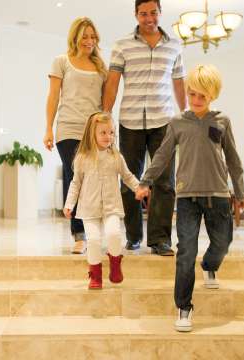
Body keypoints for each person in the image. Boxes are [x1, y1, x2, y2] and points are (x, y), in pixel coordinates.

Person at [135, 65, 244, 332]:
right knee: (186, 252)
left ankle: (210, 266)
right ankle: (183, 308)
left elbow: (233, 158)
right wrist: (145, 181)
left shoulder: (222, 121)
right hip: (187, 198)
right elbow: (161, 155)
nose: (196, 100)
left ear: (213, 96)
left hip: (218, 195)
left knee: (222, 243)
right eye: (193, 94)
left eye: (202, 96)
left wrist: (240, 192)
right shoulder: (177, 123)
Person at [103, 0, 186, 256]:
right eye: (143, 14)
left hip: (164, 121)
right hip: (130, 121)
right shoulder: (122, 45)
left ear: (160, 13)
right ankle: (134, 236)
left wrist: (186, 116)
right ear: (136, 14)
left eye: (153, 13)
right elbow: (113, 84)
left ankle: (160, 240)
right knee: (130, 181)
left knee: (165, 182)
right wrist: (105, 116)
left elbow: (179, 83)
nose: (148, 18)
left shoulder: (174, 45)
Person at [45, 17, 107, 254]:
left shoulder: (101, 67)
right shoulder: (62, 61)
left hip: (93, 132)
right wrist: (48, 128)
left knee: (94, 181)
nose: (89, 41)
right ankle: (79, 235)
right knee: (75, 178)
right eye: (85, 36)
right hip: (68, 129)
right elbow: (53, 97)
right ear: (75, 37)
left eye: (93, 37)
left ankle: (94, 231)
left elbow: (104, 102)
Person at [63, 112, 141, 289]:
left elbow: (128, 177)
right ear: (93, 134)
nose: (108, 137)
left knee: (114, 234)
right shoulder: (82, 158)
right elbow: (75, 184)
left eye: (111, 132)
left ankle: (115, 263)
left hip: (111, 206)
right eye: (103, 133)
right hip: (89, 209)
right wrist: (69, 204)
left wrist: (139, 187)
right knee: (94, 240)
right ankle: (95, 274)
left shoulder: (116, 157)